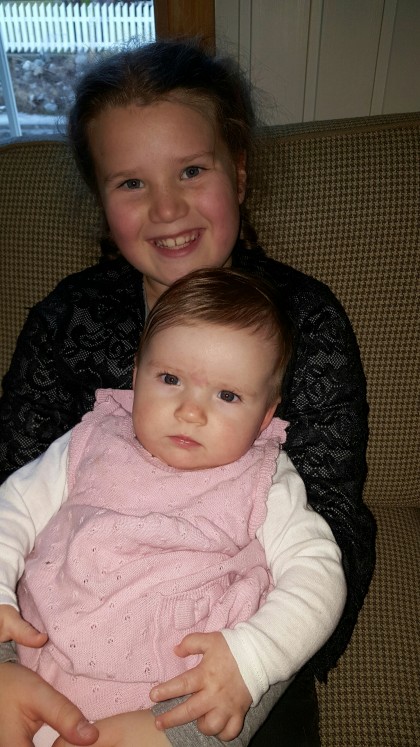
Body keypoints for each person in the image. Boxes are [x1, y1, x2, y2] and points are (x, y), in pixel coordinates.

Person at [0, 37, 376, 747]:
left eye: (192, 171)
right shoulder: (65, 320)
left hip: (229, 668)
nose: (167, 208)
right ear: (101, 199)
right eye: (131, 183)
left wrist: (228, 691)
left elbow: (326, 542)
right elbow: (13, 497)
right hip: (49, 648)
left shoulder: (307, 320)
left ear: (238, 172)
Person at [0, 268, 347, 747]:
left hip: (168, 709)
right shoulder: (91, 439)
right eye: (169, 378)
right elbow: (12, 508)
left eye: (228, 395)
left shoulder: (264, 478)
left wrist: (251, 658)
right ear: (135, 374)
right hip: (35, 675)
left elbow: (318, 572)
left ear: (266, 415)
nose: (190, 411)